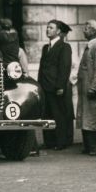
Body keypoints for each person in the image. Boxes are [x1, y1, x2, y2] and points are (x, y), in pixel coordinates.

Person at [38, 19, 73, 150]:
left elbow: (64, 67)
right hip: (45, 85)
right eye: (47, 27)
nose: (48, 30)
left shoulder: (64, 47)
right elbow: (42, 67)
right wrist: (39, 84)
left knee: (59, 114)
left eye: (51, 28)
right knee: (47, 114)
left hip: (55, 86)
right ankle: (49, 141)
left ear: (58, 31)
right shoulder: (46, 48)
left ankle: (61, 141)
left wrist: (60, 86)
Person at [76, 20, 96, 155]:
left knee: (95, 118)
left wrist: (94, 87)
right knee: (87, 117)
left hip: (92, 90)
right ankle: (89, 145)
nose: (84, 30)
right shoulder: (90, 46)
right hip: (85, 89)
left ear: (94, 31)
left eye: (87, 28)